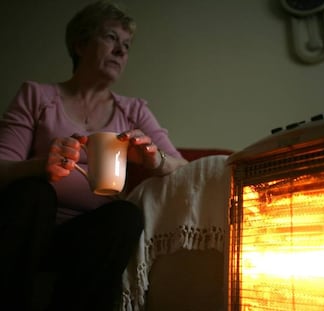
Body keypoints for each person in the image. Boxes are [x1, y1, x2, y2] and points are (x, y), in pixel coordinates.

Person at [0, 1, 188, 311]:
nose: (121, 51)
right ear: (80, 44)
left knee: (125, 216)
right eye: (111, 38)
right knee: (33, 191)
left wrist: (157, 161)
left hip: (87, 234)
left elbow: (183, 166)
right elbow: (3, 167)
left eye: (126, 45)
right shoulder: (37, 96)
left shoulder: (133, 110)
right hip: (33, 227)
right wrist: (41, 165)